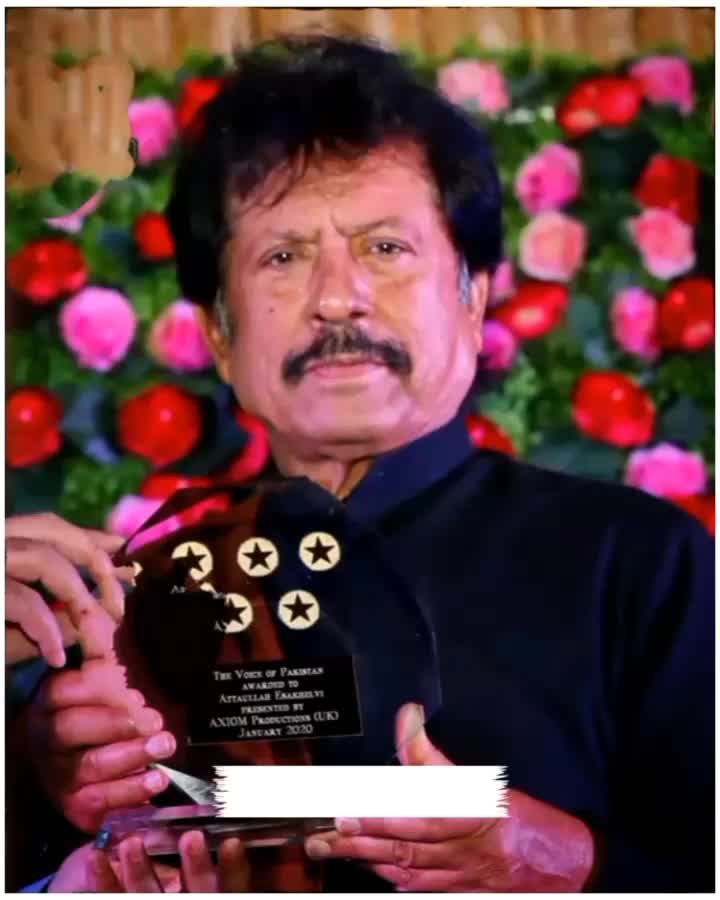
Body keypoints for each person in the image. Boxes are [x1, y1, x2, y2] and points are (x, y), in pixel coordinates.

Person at [16, 34, 713, 892]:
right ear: (220, 336)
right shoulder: (130, 609)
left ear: (474, 298)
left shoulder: (643, 561)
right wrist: (42, 793)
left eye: (385, 248)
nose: (338, 298)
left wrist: (555, 859)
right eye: (283, 256)